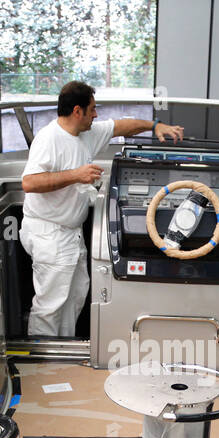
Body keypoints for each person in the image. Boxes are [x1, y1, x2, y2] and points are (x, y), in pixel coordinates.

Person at [20, 81, 185, 336]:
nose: (96, 115)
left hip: (70, 231)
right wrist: (77, 175)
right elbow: (29, 182)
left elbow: (123, 126)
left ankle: (62, 351)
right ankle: (42, 361)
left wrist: (155, 126)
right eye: (93, 109)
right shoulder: (48, 139)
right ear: (78, 111)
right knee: (50, 303)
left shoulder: (87, 134)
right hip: (48, 233)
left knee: (74, 296)